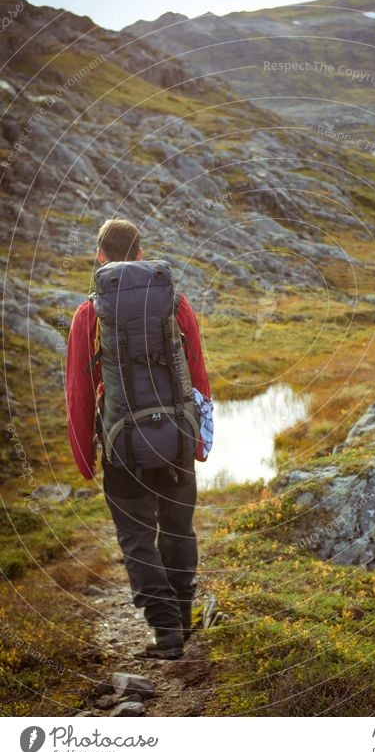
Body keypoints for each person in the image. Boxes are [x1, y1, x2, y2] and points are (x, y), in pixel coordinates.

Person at [65, 218, 212, 659]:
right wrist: (200, 440)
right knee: (178, 530)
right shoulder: (176, 303)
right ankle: (182, 621)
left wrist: (85, 456)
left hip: (122, 447)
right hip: (178, 441)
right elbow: (198, 376)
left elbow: (79, 390)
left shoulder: (89, 314)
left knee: (136, 541)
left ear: (100, 256)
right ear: (142, 252)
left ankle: (165, 633)